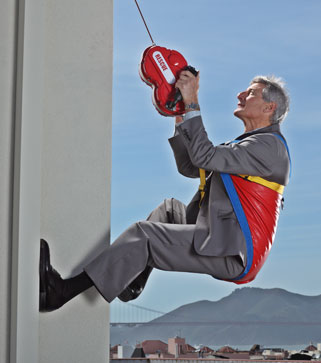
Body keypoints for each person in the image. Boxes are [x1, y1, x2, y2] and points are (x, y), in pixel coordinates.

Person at [39, 71, 291, 312]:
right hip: (222, 234)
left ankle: (61, 292)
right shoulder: (251, 145)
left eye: (250, 93)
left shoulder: (269, 148)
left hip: (232, 251)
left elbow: (205, 155)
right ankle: (133, 282)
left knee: (144, 234)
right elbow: (191, 167)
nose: (240, 95)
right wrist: (181, 115)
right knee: (170, 210)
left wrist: (192, 101)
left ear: (269, 108)